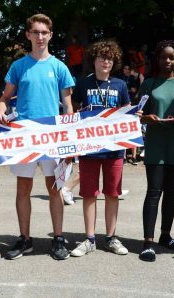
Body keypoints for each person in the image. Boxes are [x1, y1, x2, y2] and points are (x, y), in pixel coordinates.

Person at [0, 14, 74, 261]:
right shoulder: (18, 66)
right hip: (25, 136)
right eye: (35, 32)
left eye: (44, 32)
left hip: (52, 135)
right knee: (23, 189)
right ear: (28, 35)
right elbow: (5, 98)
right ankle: (25, 238)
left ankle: (58, 238)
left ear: (50, 35)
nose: (40, 37)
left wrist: (69, 142)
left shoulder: (59, 67)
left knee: (55, 188)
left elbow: (69, 108)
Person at [70, 40, 130, 257]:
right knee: (88, 194)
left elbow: (126, 112)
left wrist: (135, 115)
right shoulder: (83, 84)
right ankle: (89, 238)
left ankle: (111, 237)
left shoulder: (120, 85)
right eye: (102, 57)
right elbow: (74, 112)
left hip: (114, 148)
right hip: (89, 147)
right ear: (93, 60)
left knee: (112, 193)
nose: (106, 61)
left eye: (110, 58)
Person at [137, 40, 174, 262]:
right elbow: (136, 113)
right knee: (154, 191)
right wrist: (146, 118)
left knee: (171, 192)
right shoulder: (149, 83)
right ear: (157, 59)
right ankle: (148, 242)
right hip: (155, 144)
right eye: (163, 57)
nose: (167, 61)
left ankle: (165, 236)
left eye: (172, 57)